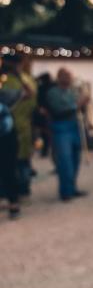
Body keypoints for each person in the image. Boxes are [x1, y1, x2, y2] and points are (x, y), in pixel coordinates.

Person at [46, 68, 89, 202]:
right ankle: (65, 191)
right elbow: (59, 110)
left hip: (75, 126)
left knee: (76, 159)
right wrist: (78, 104)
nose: (68, 78)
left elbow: (80, 108)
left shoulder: (73, 90)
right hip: (61, 128)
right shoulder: (53, 93)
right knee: (65, 161)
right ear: (58, 77)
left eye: (69, 75)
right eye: (64, 75)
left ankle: (72, 188)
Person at [1, 54, 36, 196]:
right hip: (13, 126)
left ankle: (19, 191)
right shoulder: (6, 81)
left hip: (16, 127)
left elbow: (30, 95)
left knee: (18, 161)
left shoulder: (19, 80)